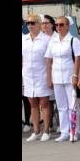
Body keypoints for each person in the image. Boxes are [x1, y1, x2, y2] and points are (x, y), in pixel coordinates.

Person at [45, 16, 80, 142]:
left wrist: (75, 76)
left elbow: (77, 59)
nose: (59, 27)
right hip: (57, 77)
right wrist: (49, 77)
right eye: (57, 25)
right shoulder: (53, 41)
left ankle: (74, 131)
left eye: (61, 25)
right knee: (61, 106)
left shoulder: (73, 40)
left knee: (72, 105)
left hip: (69, 76)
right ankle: (65, 131)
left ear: (67, 26)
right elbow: (49, 60)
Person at [22, 14, 52, 142]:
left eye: (33, 23)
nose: (30, 25)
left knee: (44, 103)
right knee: (32, 103)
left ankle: (46, 130)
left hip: (42, 75)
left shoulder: (46, 40)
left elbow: (50, 60)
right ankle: (36, 131)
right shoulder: (23, 39)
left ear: (39, 24)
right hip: (28, 76)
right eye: (28, 23)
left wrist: (49, 77)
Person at [41, 14, 58, 131]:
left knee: (59, 100)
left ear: (52, 24)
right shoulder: (40, 38)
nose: (44, 25)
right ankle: (50, 123)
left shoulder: (57, 37)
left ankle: (62, 124)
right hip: (44, 72)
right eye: (42, 23)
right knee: (48, 100)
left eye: (46, 23)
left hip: (57, 71)